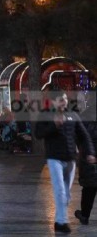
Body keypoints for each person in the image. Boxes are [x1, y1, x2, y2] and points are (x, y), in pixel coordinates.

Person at [35, 91, 95, 233]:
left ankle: (58, 220)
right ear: (53, 101)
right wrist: (53, 125)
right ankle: (62, 222)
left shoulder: (72, 116)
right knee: (60, 191)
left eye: (65, 99)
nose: (64, 102)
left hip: (70, 160)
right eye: (61, 100)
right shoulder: (45, 115)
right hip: (54, 159)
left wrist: (90, 152)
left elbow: (85, 136)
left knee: (66, 194)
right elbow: (38, 134)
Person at [76, 95, 97, 225]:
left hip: (89, 157)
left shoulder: (84, 116)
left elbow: (78, 137)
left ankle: (85, 215)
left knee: (89, 188)